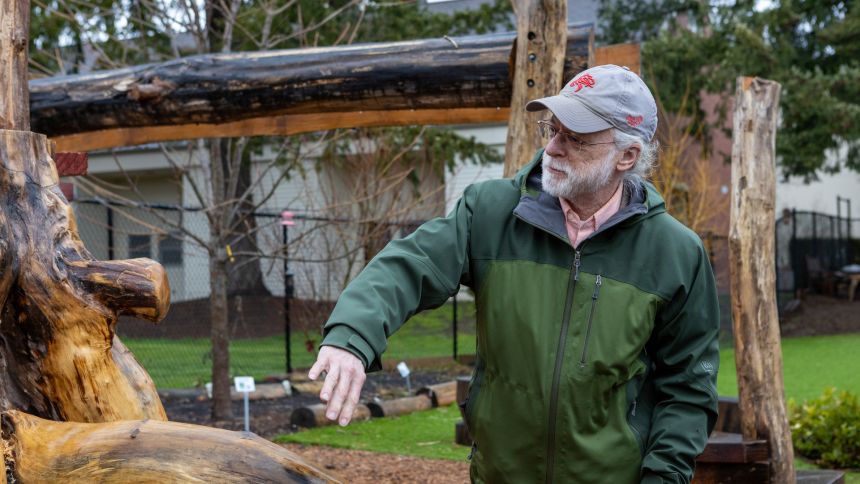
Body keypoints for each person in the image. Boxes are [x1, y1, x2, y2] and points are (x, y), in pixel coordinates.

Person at [308, 64, 720, 484]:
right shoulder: (490, 212)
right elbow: (410, 265)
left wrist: (664, 478)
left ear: (627, 156)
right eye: (553, 130)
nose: (553, 149)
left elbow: (687, 388)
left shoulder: (675, 252)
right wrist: (351, 337)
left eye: (575, 138)